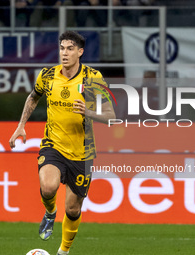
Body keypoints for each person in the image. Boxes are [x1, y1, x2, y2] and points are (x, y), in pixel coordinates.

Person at [9, 31, 115, 255]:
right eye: (61, 48)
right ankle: (49, 213)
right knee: (48, 187)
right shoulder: (48, 75)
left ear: (80, 52)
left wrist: (88, 111)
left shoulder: (93, 78)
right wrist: (21, 125)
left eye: (69, 49)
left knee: (73, 208)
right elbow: (33, 97)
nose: (64, 53)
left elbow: (111, 116)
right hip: (53, 144)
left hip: (82, 152)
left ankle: (63, 252)